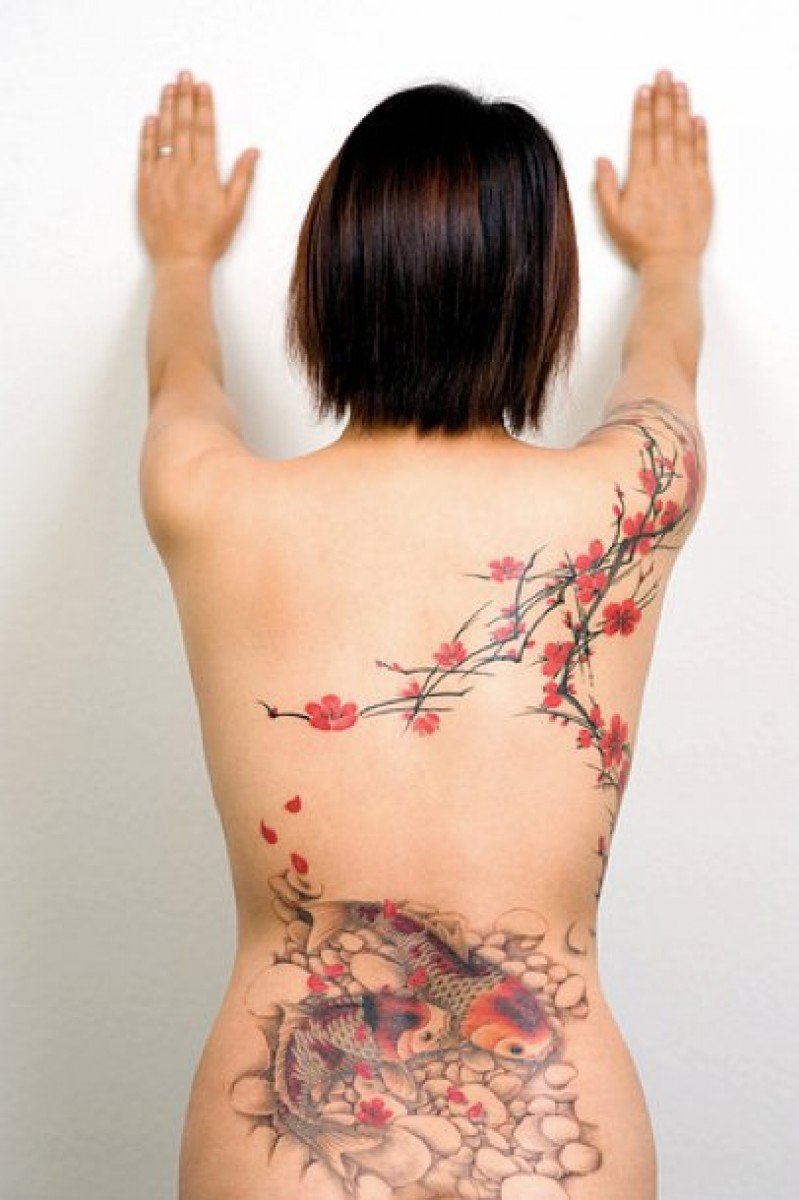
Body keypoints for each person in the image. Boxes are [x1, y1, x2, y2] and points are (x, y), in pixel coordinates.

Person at [136, 64, 712, 1200]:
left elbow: (181, 379)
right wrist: (671, 259)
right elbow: (664, 368)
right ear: (541, 299)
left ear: (325, 279)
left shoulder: (206, 498)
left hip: (279, 1164)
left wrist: (184, 261)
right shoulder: (635, 492)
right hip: (556, 1147)